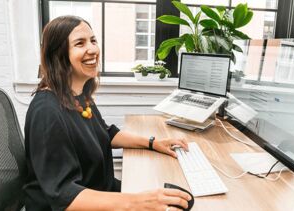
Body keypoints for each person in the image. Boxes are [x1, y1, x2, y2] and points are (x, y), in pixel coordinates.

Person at [23, 15, 191, 211]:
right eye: (80, 43)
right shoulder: (46, 112)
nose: (93, 49)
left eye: (93, 40)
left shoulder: (78, 96)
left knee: (178, 198)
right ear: (58, 54)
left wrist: (153, 143)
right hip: (76, 205)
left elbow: (105, 132)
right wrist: (135, 202)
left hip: (101, 192)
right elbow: (65, 196)